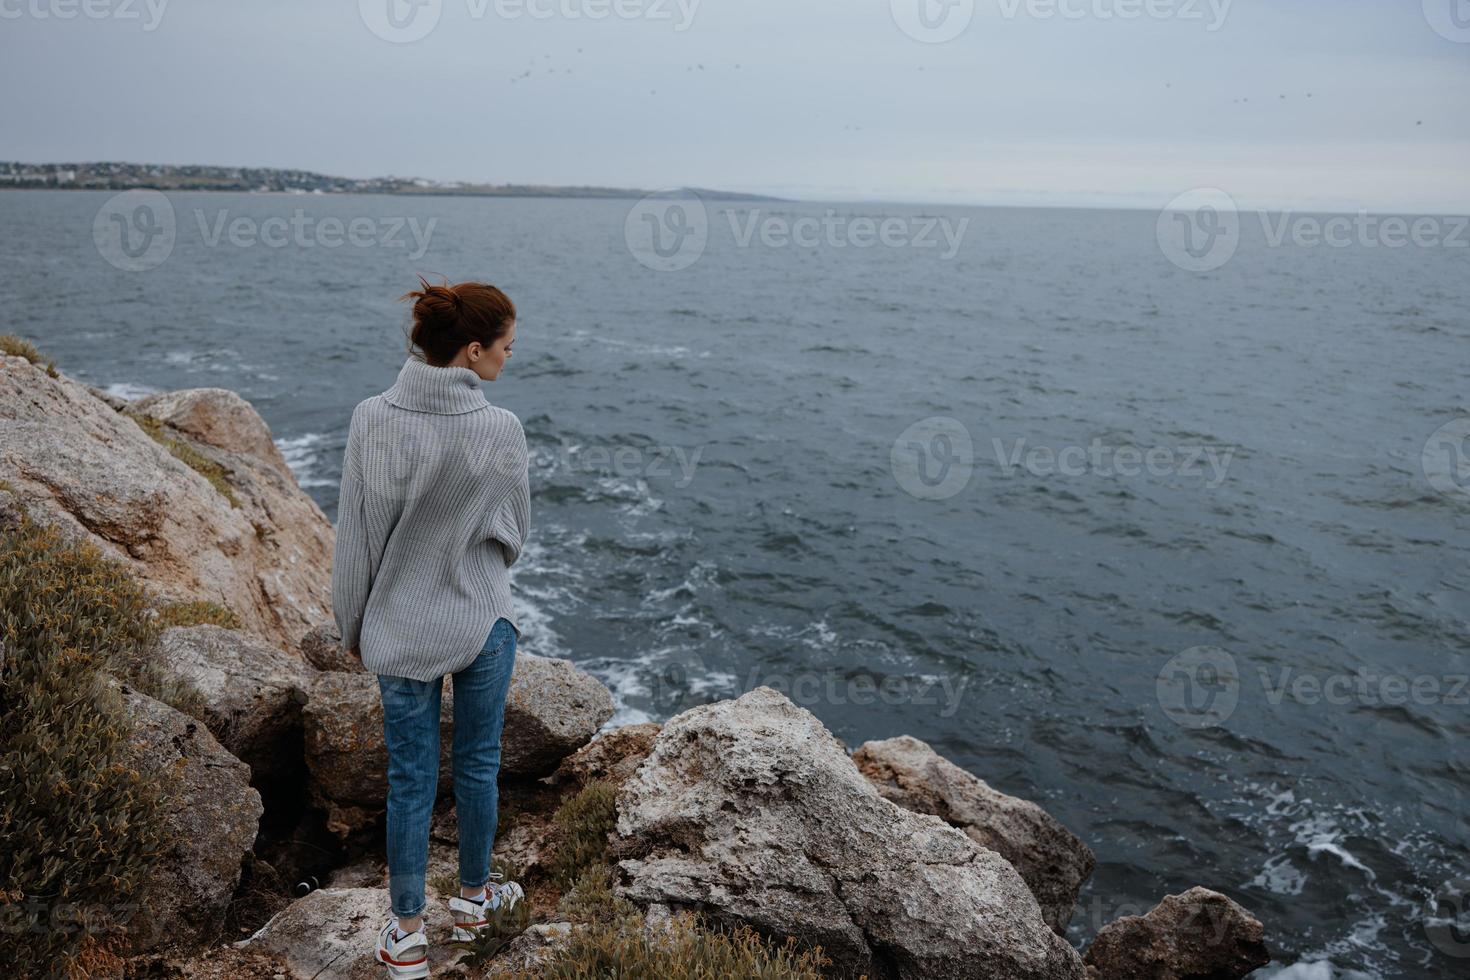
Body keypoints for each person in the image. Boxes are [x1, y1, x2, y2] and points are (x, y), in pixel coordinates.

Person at [331, 276, 530, 979]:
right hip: (483, 619)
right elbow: (515, 534)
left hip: (399, 627)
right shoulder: (499, 427)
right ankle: (474, 899)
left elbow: (357, 538)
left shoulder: (371, 418)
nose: (508, 359)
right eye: (505, 347)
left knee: (411, 777)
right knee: (478, 763)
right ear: (473, 350)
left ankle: (408, 934)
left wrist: (353, 627)